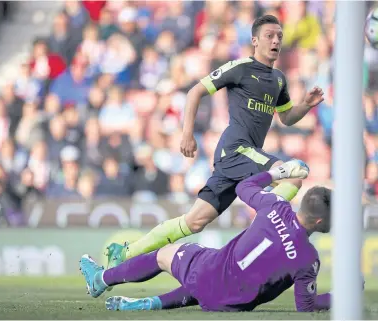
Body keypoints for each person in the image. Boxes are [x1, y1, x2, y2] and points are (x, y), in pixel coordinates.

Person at [105, 15, 325, 269]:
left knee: (195, 221)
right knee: (292, 177)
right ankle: (263, 234)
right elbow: (195, 91)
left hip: (246, 155)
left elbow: (286, 117)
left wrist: (305, 105)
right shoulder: (240, 67)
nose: (276, 41)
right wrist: (187, 133)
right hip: (236, 148)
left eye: (279, 36)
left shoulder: (278, 79)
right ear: (254, 40)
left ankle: (124, 253)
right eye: (269, 36)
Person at [80, 159, 333, 312]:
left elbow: (244, 186)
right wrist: (340, 296)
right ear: (320, 221)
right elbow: (306, 307)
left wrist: (280, 172)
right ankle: (150, 303)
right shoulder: (308, 260)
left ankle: (101, 279)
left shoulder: (275, 206)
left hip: (208, 275)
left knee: (165, 256)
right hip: (231, 305)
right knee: (220, 282)